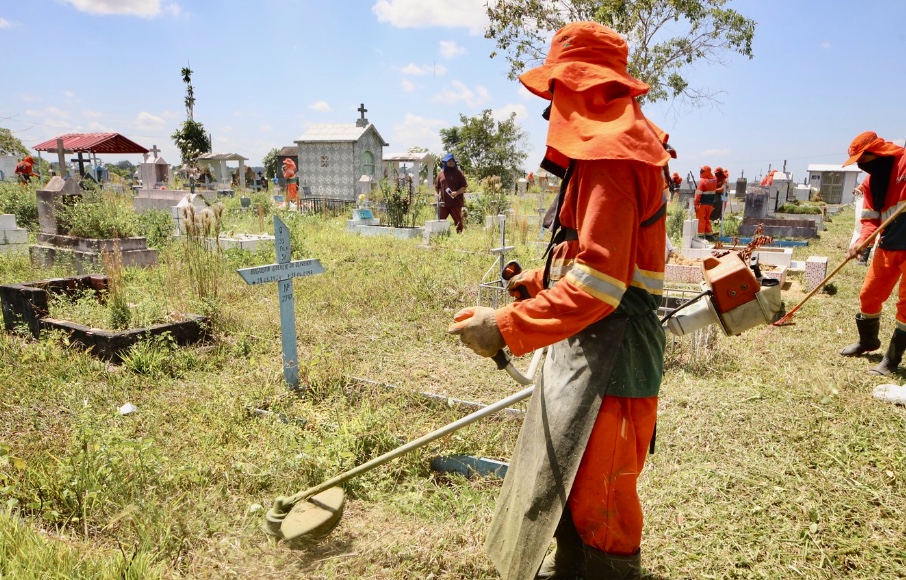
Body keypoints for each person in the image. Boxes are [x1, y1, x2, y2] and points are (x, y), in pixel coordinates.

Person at [448, 21, 669, 579]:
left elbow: (599, 285)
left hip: (614, 358)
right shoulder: (605, 155)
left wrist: (504, 325)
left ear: (584, 90)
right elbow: (598, 261)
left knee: (603, 501)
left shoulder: (613, 160)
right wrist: (541, 289)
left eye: (557, 93)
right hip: (594, 344)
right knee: (571, 477)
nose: (550, 109)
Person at [839, 131, 906, 375]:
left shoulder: (904, 163)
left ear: (876, 154)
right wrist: (861, 242)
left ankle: (891, 360)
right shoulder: (870, 183)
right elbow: (870, 221)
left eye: (862, 160)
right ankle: (868, 341)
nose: (860, 166)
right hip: (888, 246)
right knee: (869, 294)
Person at [434, 153, 467, 233]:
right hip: (443, 203)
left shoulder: (458, 173)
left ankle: (459, 237)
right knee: (439, 221)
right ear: (445, 162)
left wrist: (457, 192)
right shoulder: (441, 174)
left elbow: (464, 187)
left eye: (453, 160)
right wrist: (436, 195)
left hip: (456, 203)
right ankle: (439, 235)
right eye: (449, 160)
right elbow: (436, 186)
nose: (451, 162)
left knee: (458, 222)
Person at [694, 165, 717, 236]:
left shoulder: (702, 181)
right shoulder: (714, 180)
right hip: (710, 204)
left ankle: (700, 236)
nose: (700, 172)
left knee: (701, 220)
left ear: (706, 172)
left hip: (702, 204)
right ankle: (709, 235)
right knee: (707, 219)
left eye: (702, 171)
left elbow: (698, 195)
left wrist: (695, 204)